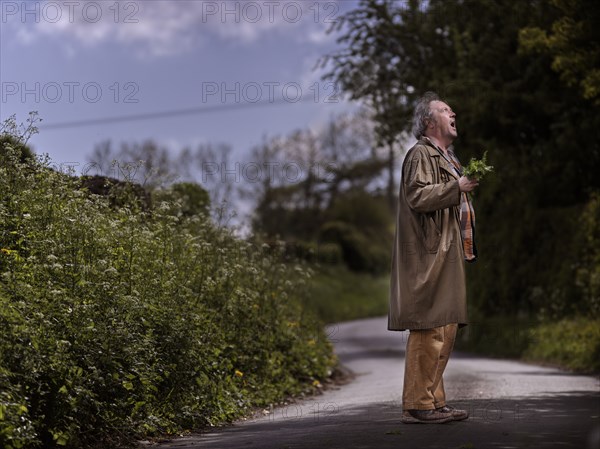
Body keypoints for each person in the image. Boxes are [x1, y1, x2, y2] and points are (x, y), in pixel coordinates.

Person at [389, 91, 478, 424]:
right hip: (427, 255)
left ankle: (434, 401)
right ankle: (418, 403)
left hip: (446, 252)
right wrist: (458, 187)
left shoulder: (446, 156)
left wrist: (459, 184)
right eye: (444, 109)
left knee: (446, 327)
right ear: (428, 121)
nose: (453, 111)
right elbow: (416, 195)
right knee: (429, 328)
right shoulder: (420, 154)